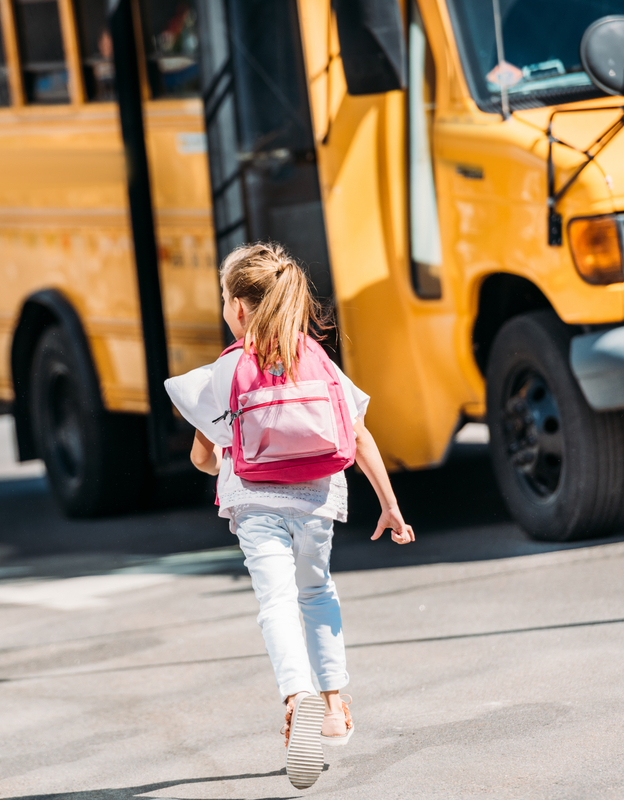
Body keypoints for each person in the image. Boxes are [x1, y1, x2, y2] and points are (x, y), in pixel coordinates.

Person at [163, 243, 415, 789]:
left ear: (237, 308)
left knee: (275, 602)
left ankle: (295, 695)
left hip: (255, 503)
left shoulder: (227, 368)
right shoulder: (316, 358)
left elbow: (203, 457)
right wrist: (390, 507)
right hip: (318, 499)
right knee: (317, 592)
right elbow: (360, 435)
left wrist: (225, 457)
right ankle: (331, 704)